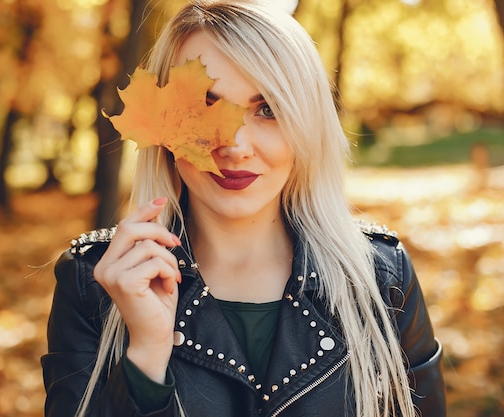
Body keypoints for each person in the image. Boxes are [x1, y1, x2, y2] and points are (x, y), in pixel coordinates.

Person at [41, 1, 446, 416]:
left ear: (308, 125)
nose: (234, 146)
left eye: (267, 109)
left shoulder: (381, 278)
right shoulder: (93, 285)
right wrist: (145, 359)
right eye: (204, 106)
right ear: (162, 125)